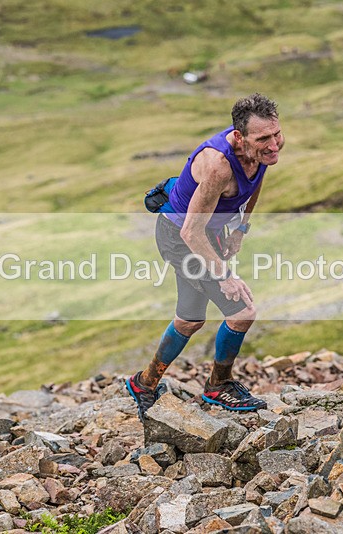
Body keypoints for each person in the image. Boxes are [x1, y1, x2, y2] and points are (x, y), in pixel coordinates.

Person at [126, 93, 284, 419]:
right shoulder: (219, 166)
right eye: (264, 139)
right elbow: (189, 233)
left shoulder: (258, 153)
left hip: (207, 233)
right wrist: (225, 276)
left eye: (277, 134)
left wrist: (241, 230)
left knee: (190, 319)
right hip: (180, 236)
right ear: (239, 137)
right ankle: (218, 386)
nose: (274, 145)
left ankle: (144, 383)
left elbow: (253, 186)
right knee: (242, 311)